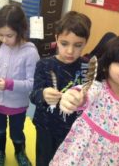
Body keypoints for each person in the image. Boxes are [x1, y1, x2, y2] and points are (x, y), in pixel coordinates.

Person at [50, 35, 119, 165]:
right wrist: (73, 97)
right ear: (106, 66)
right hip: (83, 158)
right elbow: (83, 93)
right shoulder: (98, 89)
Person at [29, 11, 92, 166]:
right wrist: (43, 94)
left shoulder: (87, 66)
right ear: (56, 39)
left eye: (78, 45)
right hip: (46, 126)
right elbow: (33, 95)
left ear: (86, 42)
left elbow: (91, 98)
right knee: (44, 160)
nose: (70, 51)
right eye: (64, 44)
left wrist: (84, 99)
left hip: (73, 129)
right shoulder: (44, 65)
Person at [0, 4, 40, 166]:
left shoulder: (30, 52)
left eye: (9, 35)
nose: (4, 39)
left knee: (17, 133)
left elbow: (32, 83)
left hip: (17, 105)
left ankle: (20, 152)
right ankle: (0, 153)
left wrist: (9, 84)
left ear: (21, 30)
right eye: (0, 35)